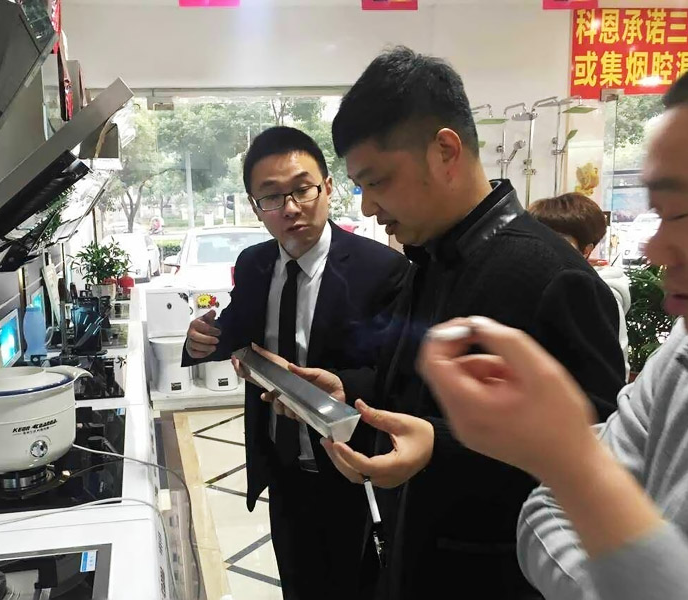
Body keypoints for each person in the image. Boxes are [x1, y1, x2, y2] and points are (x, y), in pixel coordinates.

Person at [259, 47, 626, 599]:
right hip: (412, 553)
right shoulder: (427, 261)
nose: (367, 207)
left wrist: (439, 447)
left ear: (445, 151)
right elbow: (415, 392)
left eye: (377, 181)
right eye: (359, 186)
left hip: (497, 574)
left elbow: (600, 452)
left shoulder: (551, 276)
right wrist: (346, 390)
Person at [418, 60, 688, 600]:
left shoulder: (555, 276)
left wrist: (569, 459)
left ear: (446, 153)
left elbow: (572, 480)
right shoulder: (684, 352)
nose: (654, 249)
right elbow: (545, 507)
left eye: (682, 213)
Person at [181, 126, 409, 599]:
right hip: (282, 466)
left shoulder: (381, 270)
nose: (289, 208)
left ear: (328, 187)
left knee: (357, 587)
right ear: (255, 206)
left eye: (302, 189)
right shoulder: (254, 263)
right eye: (271, 197)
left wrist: (341, 386)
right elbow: (236, 330)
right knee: (298, 583)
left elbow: (398, 375)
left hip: (350, 470)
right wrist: (201, 339)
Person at [529, 193, 631, 377]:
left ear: (586, 250)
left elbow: (609, 375)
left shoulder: (593, 295)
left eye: (558, 240)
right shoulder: (532, 277)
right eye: (535, 236)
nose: (543, 245)